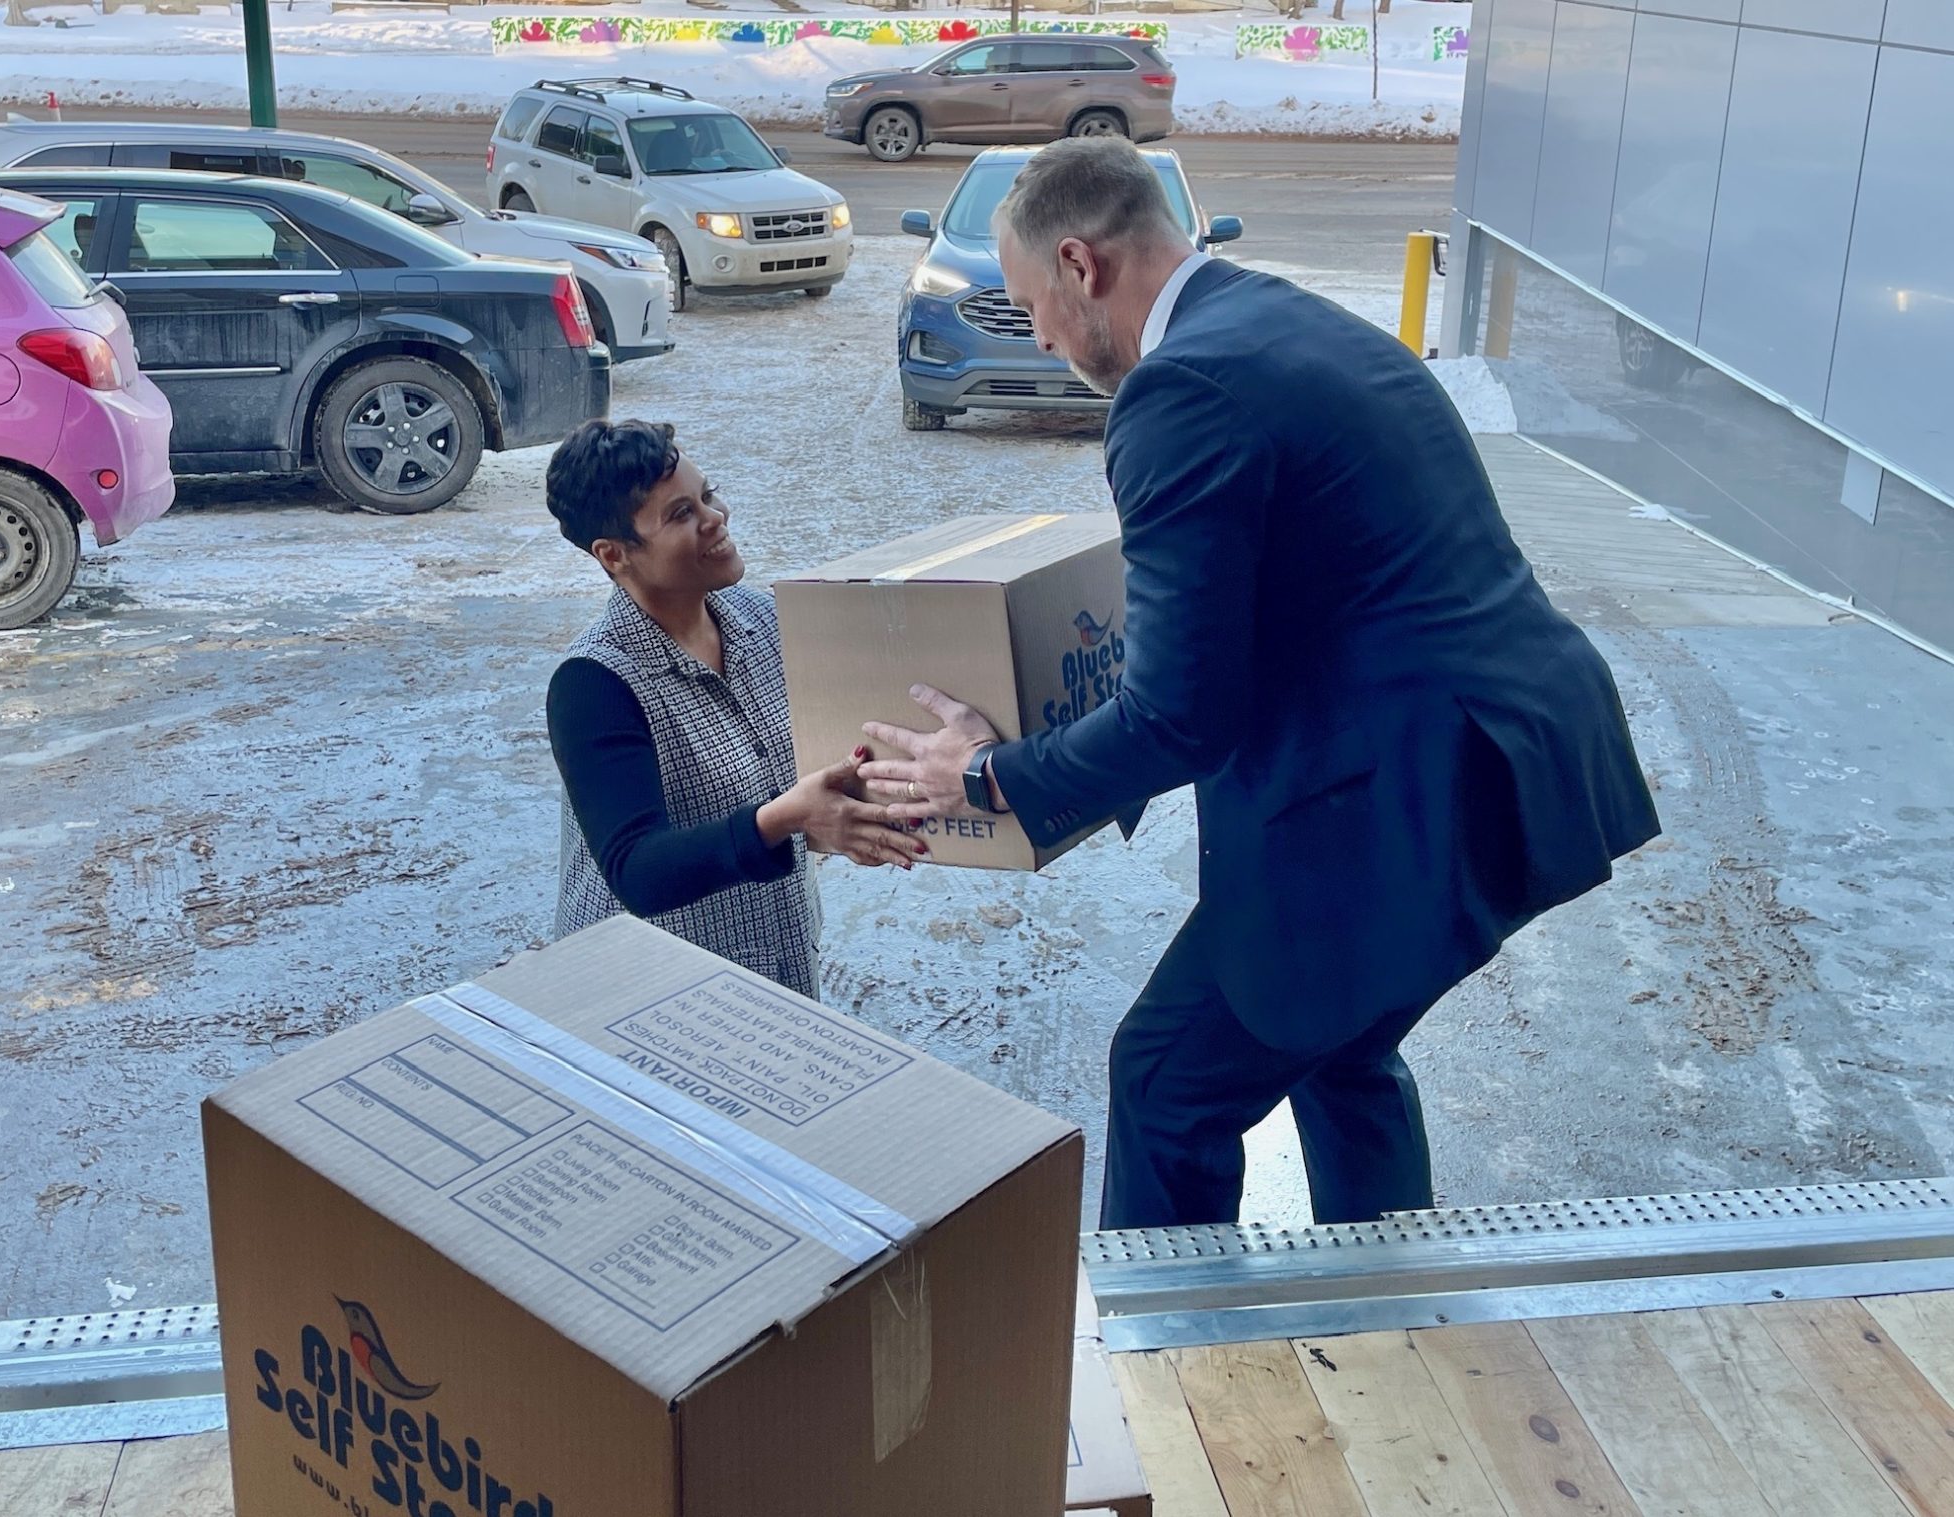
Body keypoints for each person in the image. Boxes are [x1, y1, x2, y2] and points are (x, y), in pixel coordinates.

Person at [858, 138, 1661, 1231]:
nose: (1039, 334)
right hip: (1506, 753)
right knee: (1342, 1047)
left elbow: (1183, 715)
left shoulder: (1178, 390)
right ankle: (1384, 1308)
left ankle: (1181, 1361)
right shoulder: (1292, 320)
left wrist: (991, 774)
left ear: (1080, 265)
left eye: (1032, 301)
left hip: (1408, 799)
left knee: (1163, 1079)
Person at [545, 419, 922, 998]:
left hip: (775, 962)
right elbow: (637, 869)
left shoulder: (763, 620)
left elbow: (802, 777)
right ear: (614, 554)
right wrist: (788, 820)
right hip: (641, 993)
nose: (715, 518)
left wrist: (840, 820)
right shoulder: (595, 682)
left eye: (707, 495)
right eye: (680, 515)